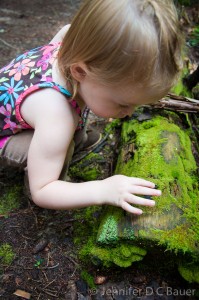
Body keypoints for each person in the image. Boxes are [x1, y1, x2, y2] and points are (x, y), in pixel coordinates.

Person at [0, 0, 182, 215]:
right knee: (62, 140)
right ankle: (54, 170)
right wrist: (102, 189)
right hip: (6, 134)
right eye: (123, 103)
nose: (130, 113)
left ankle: (73, 140)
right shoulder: (56, 114)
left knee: (65, 127)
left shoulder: (71, 40)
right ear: (80, 71)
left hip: (22, 107)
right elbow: (43, 191)